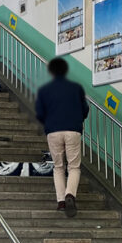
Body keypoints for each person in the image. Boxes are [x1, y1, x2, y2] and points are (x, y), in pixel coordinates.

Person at [35, 57, 89, 217]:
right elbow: (85, 109)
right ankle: (70, 194)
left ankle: (61, 202)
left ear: (51, 72)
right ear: (66, 71)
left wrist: (49, 123)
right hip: (73, 130)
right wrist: (77, 119)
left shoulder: (44, 90)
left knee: (58, 167)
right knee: (74, 167)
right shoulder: (76, 88)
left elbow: (40, 113)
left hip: (53, 131)